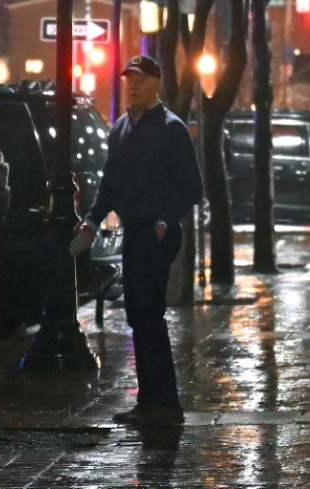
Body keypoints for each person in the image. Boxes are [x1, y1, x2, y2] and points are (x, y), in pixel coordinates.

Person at [69, 55, 203, 426]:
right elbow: (110, 184)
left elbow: (192, 186)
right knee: (139, 316)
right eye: (129, 79)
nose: (133, 85)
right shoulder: (122, 128)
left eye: (141, 79)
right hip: (135, 230)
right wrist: (92, 222)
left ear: (156, 82)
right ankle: (150, 401)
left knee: (149, 316)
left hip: (156, 233)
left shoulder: (170, 128)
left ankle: (164, 404)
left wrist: (164, 220)